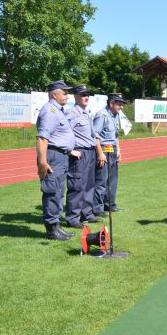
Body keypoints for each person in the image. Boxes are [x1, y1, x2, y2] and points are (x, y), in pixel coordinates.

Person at [35, 80, 79, 241]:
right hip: (53, 157)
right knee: (52, 192)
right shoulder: (50, 111)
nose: (68, 95)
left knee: (59, 192)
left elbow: (58, 136)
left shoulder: (58, 110)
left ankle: (57, 227)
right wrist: (42, 162)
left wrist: (68, 150)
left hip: (61, 156)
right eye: (65, 92)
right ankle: (51, 230)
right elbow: (42, 138)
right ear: (55, 94)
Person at [65, 85, 104, 228]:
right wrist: (70, 150)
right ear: (75, 97)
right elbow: (64, 132)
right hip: (79, 153)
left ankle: (86, 214)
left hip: (90, 152)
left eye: (87, 94)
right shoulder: (72, 113)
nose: (86, 97)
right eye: (82, 95)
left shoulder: (86, 113)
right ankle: (72, 218)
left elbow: (93, 135)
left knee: (89, 185)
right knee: (77, 186)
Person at [93, 93, 124, 217]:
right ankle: (97, 208)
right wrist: (100, 153)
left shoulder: (115, 115)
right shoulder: (102, 115)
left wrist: (119, 150)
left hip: (112, 150)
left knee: (112, 181)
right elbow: (95, 135)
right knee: (101, 181)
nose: (121, 107)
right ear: (111, 103)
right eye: (119, 104)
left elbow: (115, 135)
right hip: (104, 150)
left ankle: (110, 205)